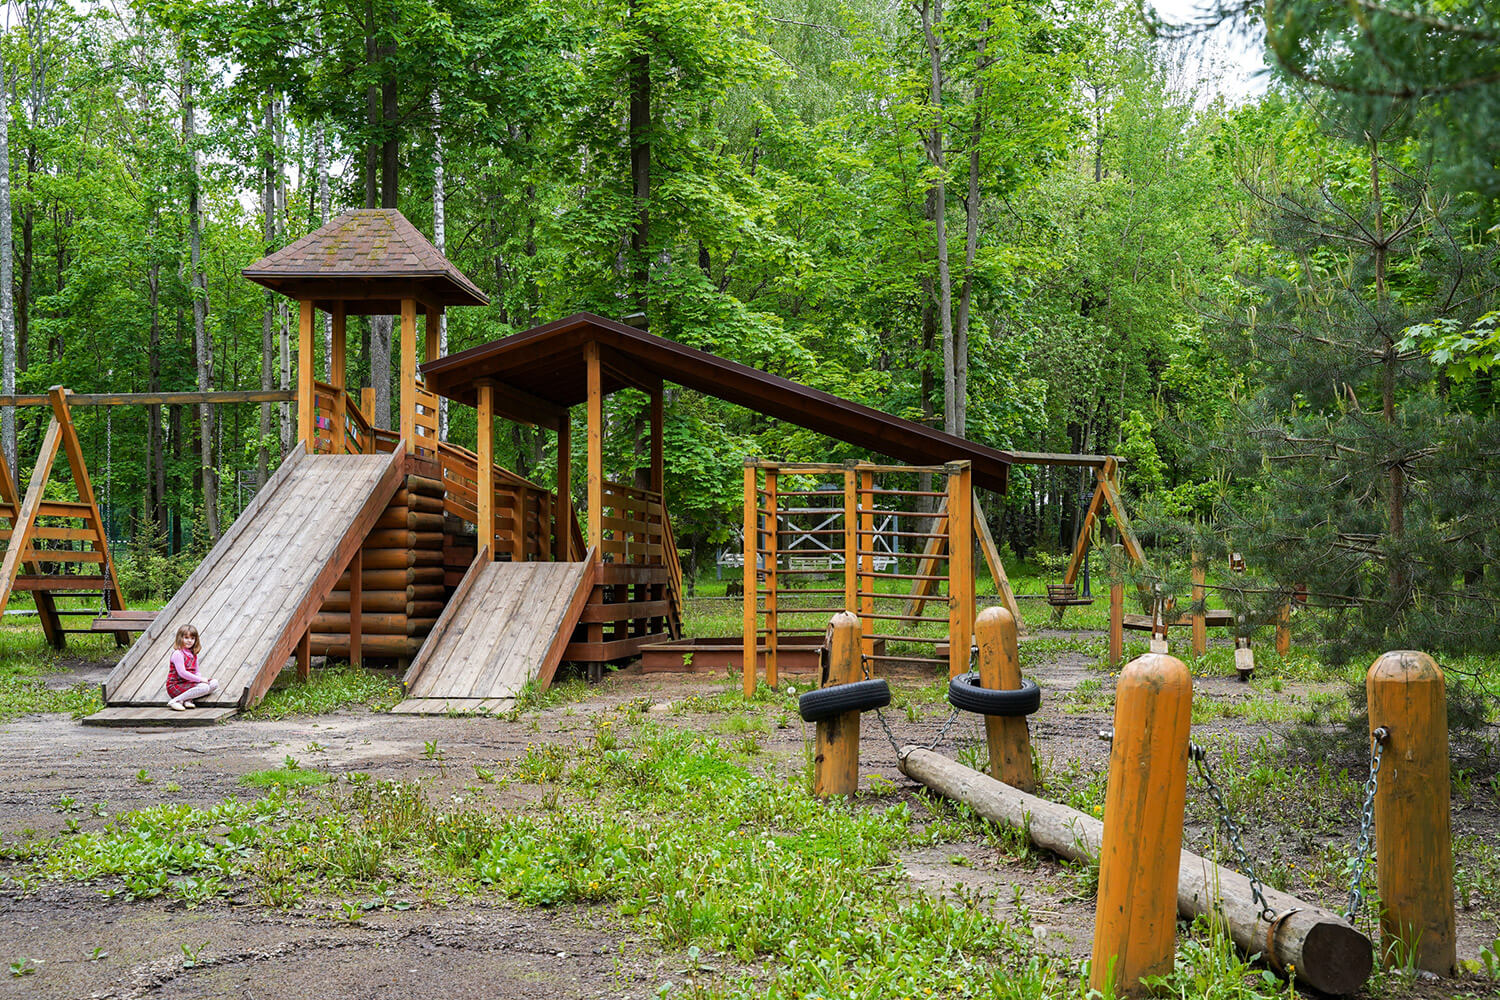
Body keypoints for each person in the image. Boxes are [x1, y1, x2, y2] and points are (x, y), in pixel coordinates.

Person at [166, 624, 220, 711]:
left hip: (189, 684)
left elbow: (196, 671)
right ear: (180, 638)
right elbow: (182, 673)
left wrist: (200, 678)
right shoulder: (178, 653)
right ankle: (175, 701)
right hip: (176, 685)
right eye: (186, 638)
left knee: (214, 683)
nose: (189, 641)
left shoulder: (193, 654)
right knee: (204, 687)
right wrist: (200, 680)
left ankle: (187, 699)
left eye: (192, 638)